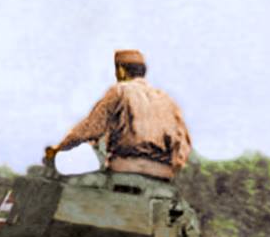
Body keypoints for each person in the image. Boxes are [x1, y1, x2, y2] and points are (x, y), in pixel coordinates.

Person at [45, 50, 192, 180]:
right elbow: (183, 145)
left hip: (125, 169)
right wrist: (170, 167)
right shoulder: (167, 100)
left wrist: (58, 149)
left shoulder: (120, 90)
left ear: (121, 70)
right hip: (162, 175)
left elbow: (90, 128)